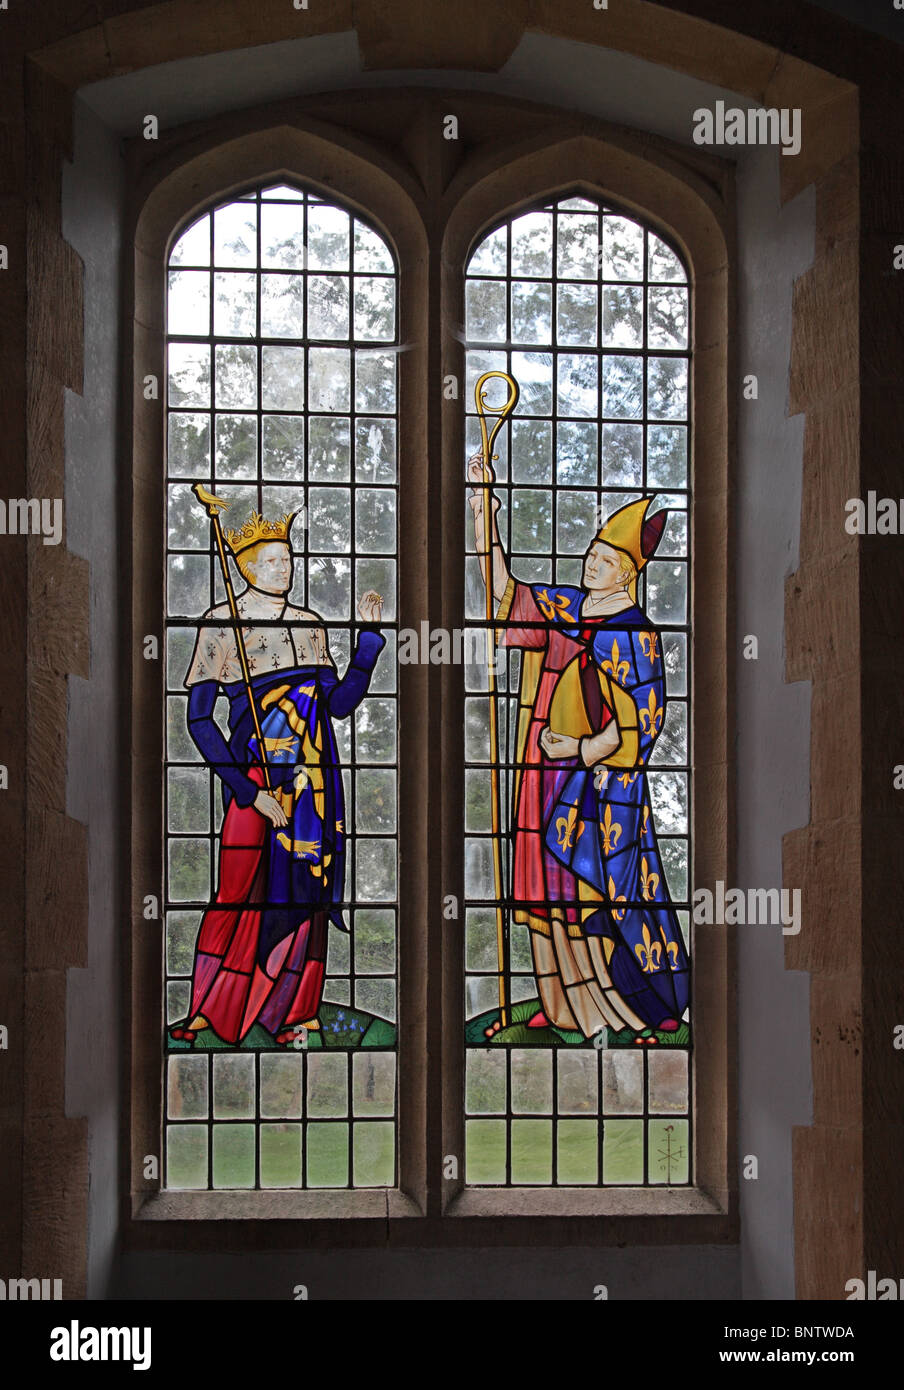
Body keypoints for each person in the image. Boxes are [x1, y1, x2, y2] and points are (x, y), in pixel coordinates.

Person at [468, 457, 689, 1044]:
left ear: (628, 574)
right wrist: (483, 511)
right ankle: (560, 1000)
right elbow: (504, 593)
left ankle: (612, 1002)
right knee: (541, 880)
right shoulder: (563, 609)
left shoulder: (635, 632)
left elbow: (643, 722)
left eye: (606, 559)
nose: (593, 562)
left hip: (599, 786)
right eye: (592, 552)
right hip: (543, 770)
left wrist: (584, 746)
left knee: (593, 886)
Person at [170, 508, 384, 1046]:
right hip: (252, 783)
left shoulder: (310, 626)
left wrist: (367, 645)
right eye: (271, 561)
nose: (283, 568)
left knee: (307, 894)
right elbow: (199, 720)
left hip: (314, 785)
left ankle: (295, 1013)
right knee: (237, 889)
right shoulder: (224, 625)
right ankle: (210, 1010)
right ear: (246, 569)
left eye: (287, 559)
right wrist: (249, 791)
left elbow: (335, 705)